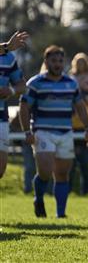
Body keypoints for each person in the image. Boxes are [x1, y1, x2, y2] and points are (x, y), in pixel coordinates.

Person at [19, 45, 88, 218]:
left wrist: (87, 128)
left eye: (60, 61)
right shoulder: (35, 83)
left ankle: (61, 214)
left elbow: (80, 107)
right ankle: (39, 198)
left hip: (65, 133)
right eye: (54, 61)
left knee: (62, 174)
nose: (58, 64)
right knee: (45, 171)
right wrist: (27, 132)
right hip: (42, 132)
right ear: (46, 62)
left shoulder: (71, 83)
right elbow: (24, 107)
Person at [69, 53, 88, 195]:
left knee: (86, 160)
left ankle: (86, 190)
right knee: (71, 161)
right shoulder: (71, 76)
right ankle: (69, 189)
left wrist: (85, 88)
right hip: (72, 121)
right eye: (78, 62)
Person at [0, 31, 28, 179]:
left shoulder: (8, 57)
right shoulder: (6, 50)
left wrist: (10, 90)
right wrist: (7, 46)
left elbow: (22, 85)